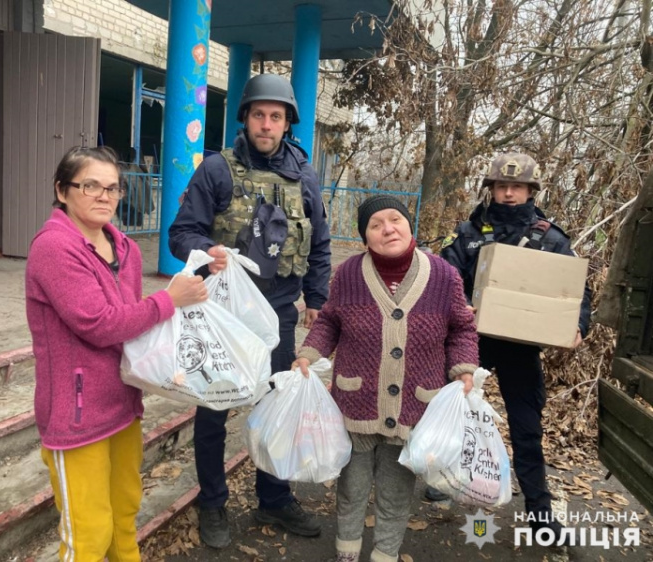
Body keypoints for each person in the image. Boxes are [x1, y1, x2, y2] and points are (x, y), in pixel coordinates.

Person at [168, 73, 332, 548]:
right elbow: (181, 233)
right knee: (214, 408)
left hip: (279, 307)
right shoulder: (218, 169)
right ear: (246, 118)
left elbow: (318, 241)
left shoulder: (304, 174)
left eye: (275, 116)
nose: (266, 124)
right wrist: (209, 248)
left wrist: (317, 299)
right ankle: (214, 503)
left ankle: (274, 498)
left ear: (287, 123)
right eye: (259, 115)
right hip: (223, 310)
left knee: (275, 402)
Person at [25, 146, 207, 561]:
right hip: (76, 413)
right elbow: (100, 323)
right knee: (88, 534)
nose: (103, 196)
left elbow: (132, 324)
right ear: (62, 190)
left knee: (124, 514)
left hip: (122, 403)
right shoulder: (54, 248)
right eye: (90, 185)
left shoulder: (125, 248)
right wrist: (169, 300)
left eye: (113, 188)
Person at [293, 195, 479, 562]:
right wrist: (308, 354)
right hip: (356, 403)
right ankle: (346, 550)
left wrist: (464, 369)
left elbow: (462, 328)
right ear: (366, 237)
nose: (387, 229)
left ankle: (385, 554)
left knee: (396, 492)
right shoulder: (348, 274)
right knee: (352, 486)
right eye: (375, 225)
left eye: (395, 220)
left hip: (414, 405)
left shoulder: (443, 275)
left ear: (410, 226)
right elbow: (330, 319)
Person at [440, 153, 592, 543]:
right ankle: (439, 479)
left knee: (527, 431)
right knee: (450, 414)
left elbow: (577, 290)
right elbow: (443, 277)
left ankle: (542, 518)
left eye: (517, 187)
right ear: (490, 189)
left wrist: (578, 324)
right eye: (501, 186)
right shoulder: (468, 233)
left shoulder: (551, 238)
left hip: (522, 350)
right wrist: (457, 306)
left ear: (530, 190)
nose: (509, 193)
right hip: (471, 342)